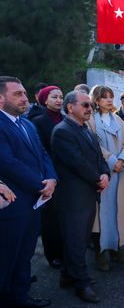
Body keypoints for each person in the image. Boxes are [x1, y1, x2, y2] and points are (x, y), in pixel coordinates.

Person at [0, 76, 57, 308]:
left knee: (25, 255)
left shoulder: (27, 124)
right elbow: (7, 162)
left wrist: (52, 178)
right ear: (1, 98)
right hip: (12, 206)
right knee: (6, 258)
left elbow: (43, 154)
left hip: (34, 203)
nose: (25, 98)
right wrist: (40, 184)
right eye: (18, 94)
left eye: (24, 93)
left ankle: (20, 298)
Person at [51, 90, 110, 304]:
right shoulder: (63, 131)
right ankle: (81, 283)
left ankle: (68, 275)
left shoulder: (86, 128)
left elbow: (98, 156)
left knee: (81, 239)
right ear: (70, 107)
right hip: (73, 197)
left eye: (90, 105)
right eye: (85, 105)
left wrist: (105, 173)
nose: (89, 108)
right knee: (76, 241)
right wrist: (98, 179)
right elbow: (77, 163)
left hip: (88, 194)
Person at [87, 86, 124, 272]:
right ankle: (100, 253)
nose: (108, 100)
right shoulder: (90, 120)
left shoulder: (117, 119)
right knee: (101, 216)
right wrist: (112, 161)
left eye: (110, 97)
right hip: (103, 174)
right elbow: (93, 145)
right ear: (96, 100)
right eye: (104, 97)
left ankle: (117, 248)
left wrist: (123, 159)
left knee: (118, 212)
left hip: (120, 174)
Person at [27, 85, 65, 270]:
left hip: (68, 175)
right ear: (44, 99)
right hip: (49, 175)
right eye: (54, 97)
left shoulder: (66, 118)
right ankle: (54, 255)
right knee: (51, 218)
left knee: (65, 216)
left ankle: (66, 251)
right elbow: (40, 152)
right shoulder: (38, 121)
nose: (58, 100)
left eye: (60, 96)